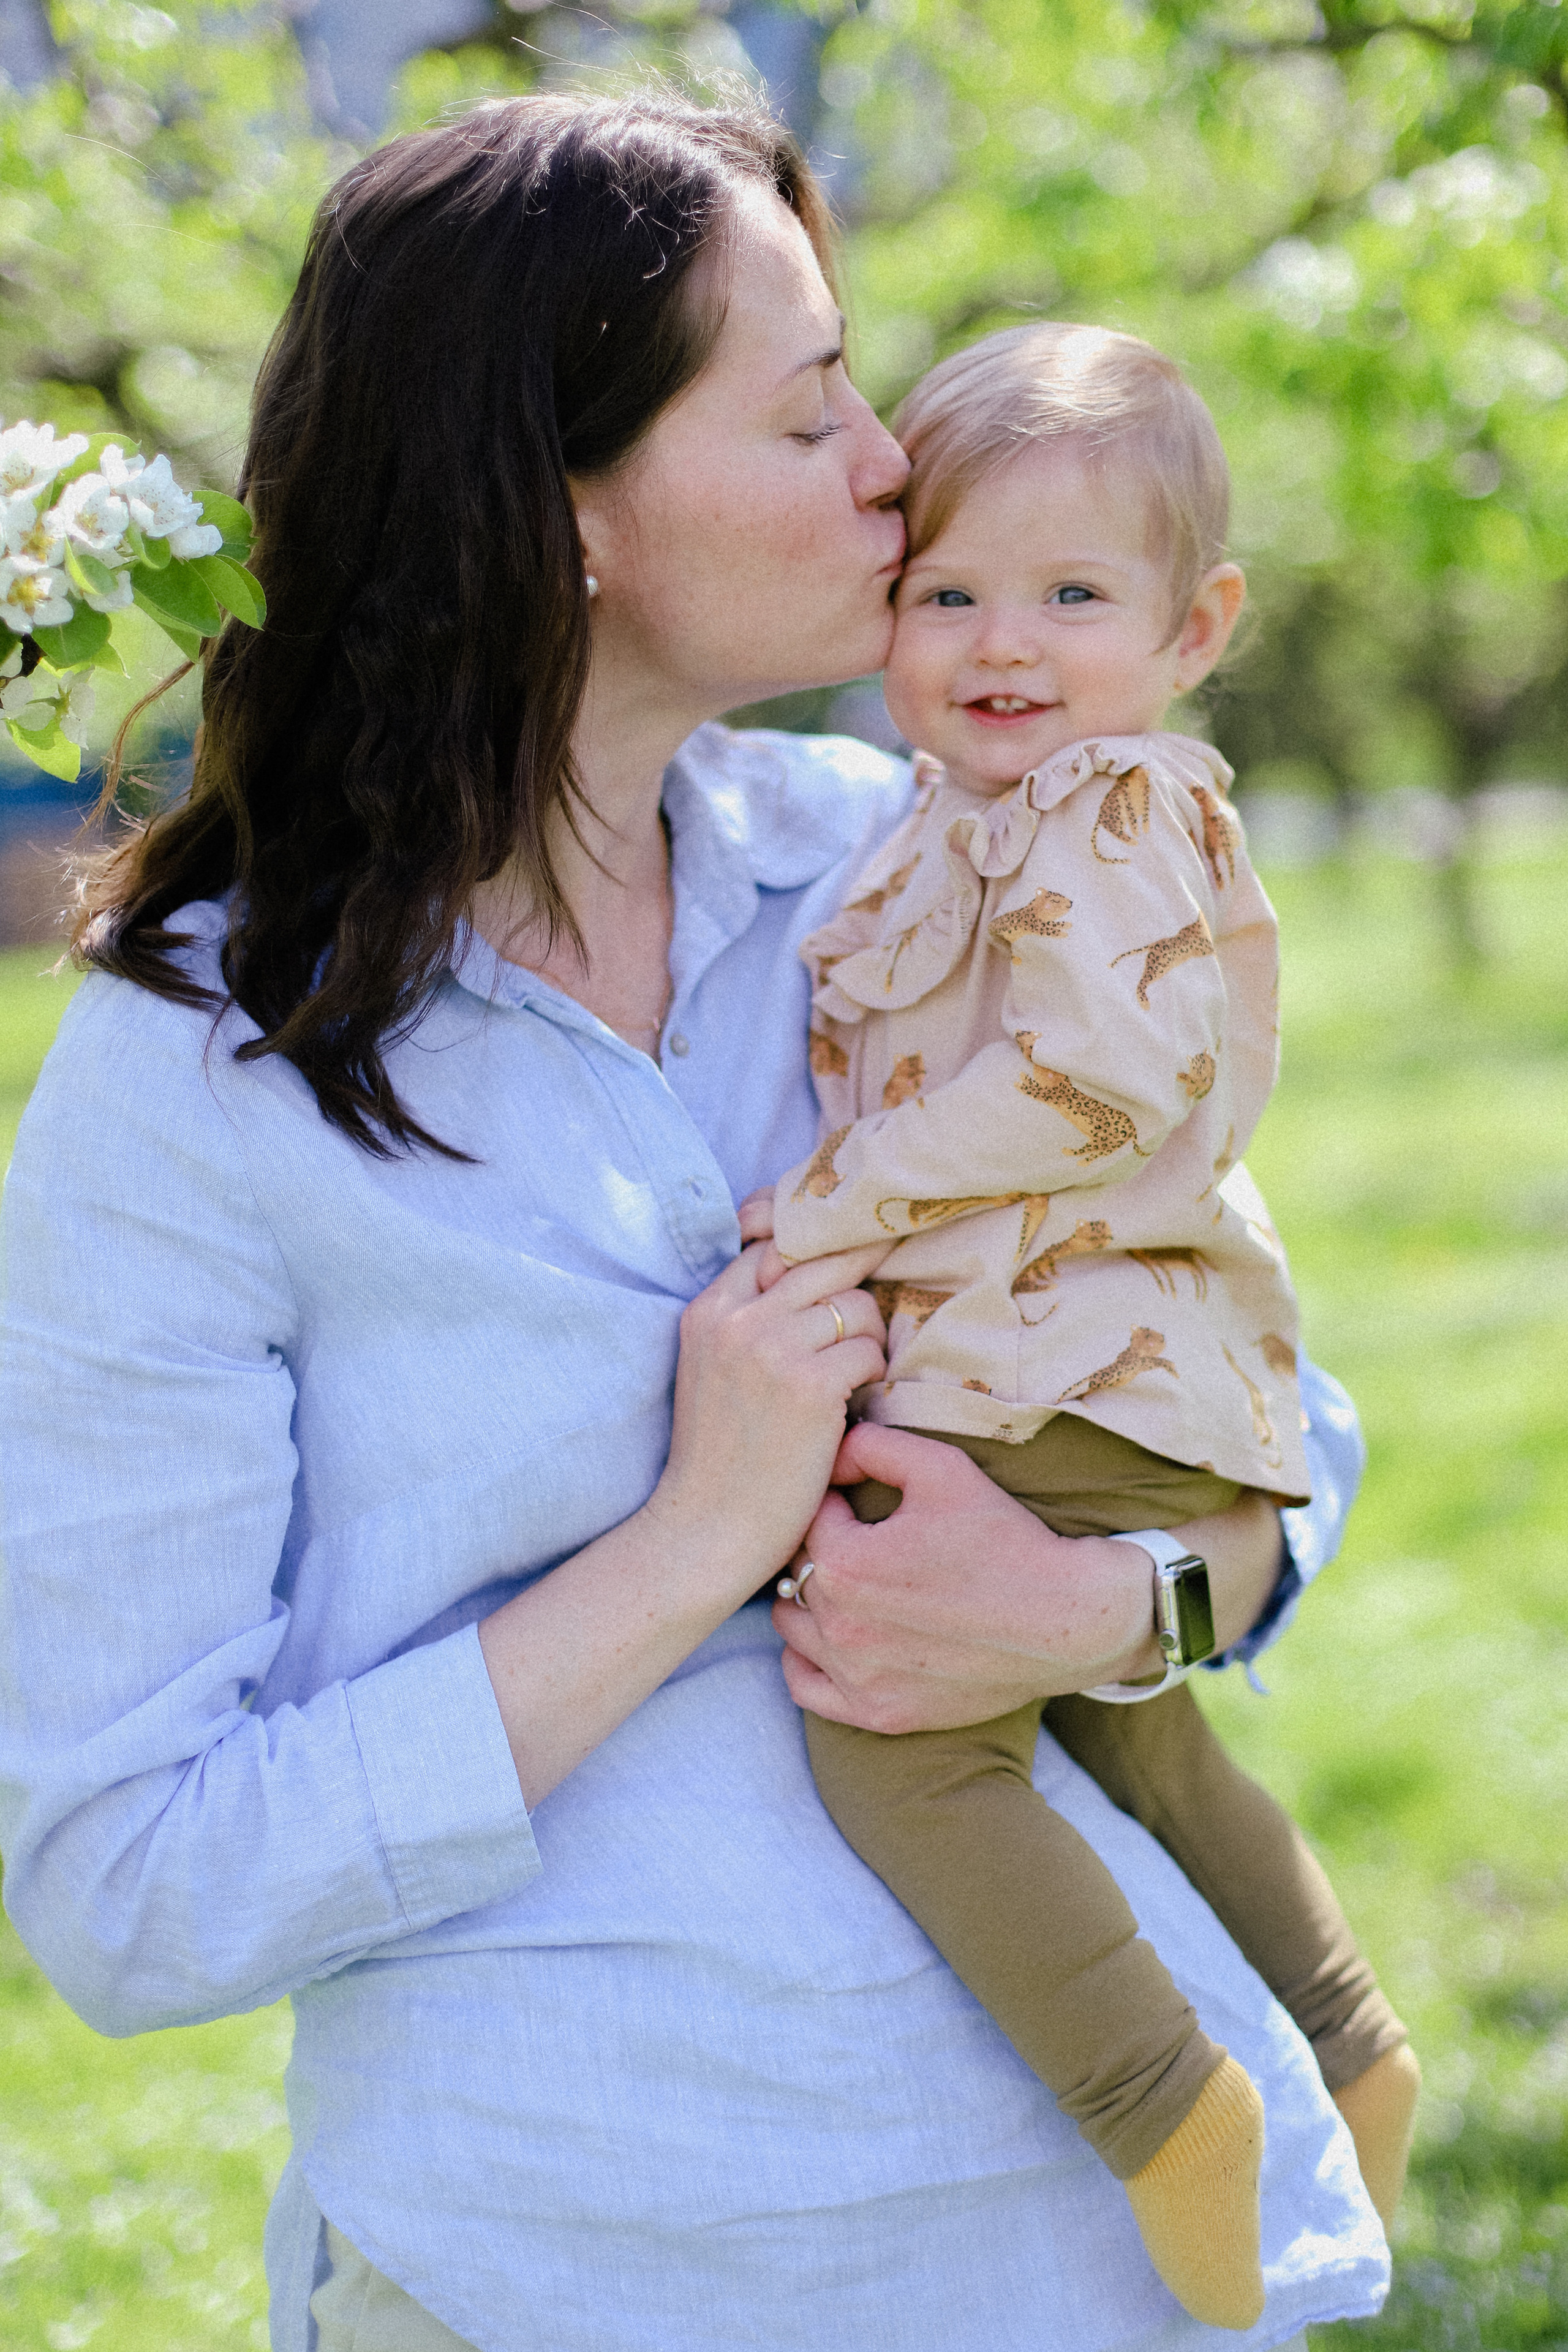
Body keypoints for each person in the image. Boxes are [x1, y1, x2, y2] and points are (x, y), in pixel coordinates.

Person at [0, 92, 1390, 2352]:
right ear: (566, 512)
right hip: (565, 2272)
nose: (893, 467)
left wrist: (1098, 1604)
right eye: (812, 405)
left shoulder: (912, 855)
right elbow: (131, 1891)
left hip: (1085, 2268)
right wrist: (687, 1545)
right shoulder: (205, 1073)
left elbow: (1280, 1417)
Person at [739, 322, 1419, 2332]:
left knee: (901, 1747)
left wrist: (840, 1201)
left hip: (1061, 1362)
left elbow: (1094, 1087)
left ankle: (1160, 2101)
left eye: (1071, 596)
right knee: (1138, 1731)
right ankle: (1347, 2035)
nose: (1002, 643)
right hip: (1089, 1367)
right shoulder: (970, 809)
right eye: (948, 593)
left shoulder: (1103, 809)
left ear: (1195, 629)